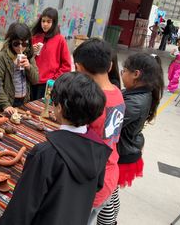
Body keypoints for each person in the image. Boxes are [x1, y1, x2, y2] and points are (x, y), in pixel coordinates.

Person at [0, 72, 112, 225]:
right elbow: (96, 186)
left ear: (59, 108)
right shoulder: (98, 147)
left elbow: (22, 208)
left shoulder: (45, 153)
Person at [73, 38, 125, 225]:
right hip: (110, 173)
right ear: (110, 65)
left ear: (79, 68)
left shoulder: (93, 103)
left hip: (93, 183)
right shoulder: (117, 92)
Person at [117, 53, 164, 189]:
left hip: (123, 156)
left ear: (136, 74)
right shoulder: (138, 93)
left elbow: (108, 124)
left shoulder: (134, 103)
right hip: (128, 150)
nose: (122, 74)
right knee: (110, 197)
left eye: (124, 71)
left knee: (107, 198)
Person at [0, 22, 39, 114]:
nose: (20, 47)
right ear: (10, 42)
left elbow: (36, 80)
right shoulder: (2, 57)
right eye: (16, 44)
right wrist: (6, 105)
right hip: (8, 102)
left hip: (23, 100)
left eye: (24, 44)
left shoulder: (29, 55)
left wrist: (29, 67)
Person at [30, 7, 71, 100]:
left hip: (48, 84)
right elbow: (26, 58)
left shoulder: (60, 40)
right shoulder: (34, 37)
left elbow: (66, 65)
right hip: (31, 81)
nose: (45, 24)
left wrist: (53, 80)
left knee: (42, 110)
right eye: (43, 21)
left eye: (48, 22)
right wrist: (31, 52)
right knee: (28, 110)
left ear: (54, 23)